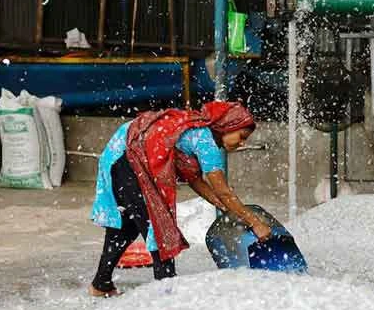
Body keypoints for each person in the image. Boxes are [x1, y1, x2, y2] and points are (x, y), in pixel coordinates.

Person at [89, 101, 272, 297]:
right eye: (241, 136)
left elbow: (195, 180)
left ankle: (101, 284)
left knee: (128, 225)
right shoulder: (206, 142)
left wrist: (225, 206)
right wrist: (255, 223)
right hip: (129, 154)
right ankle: (167, 292)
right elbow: (224, 192)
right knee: (158, 225)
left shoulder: (199, 132)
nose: (242, 143)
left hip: (122, 151)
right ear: (227, 126)